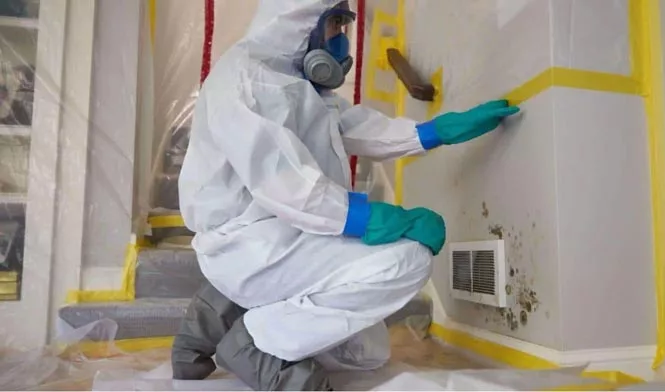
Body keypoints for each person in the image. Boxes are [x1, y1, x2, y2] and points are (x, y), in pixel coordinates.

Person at [172, 0, 521, 390]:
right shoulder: (246, 80)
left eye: (344, 24)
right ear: (300, 23)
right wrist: (374, 219)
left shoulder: (299, 84)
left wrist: (435, 131)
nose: (342, 38)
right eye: (335, 24)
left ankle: (224, 316)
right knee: (407, 260)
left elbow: (356, 126)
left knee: (368, 353)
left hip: (280, 236)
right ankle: (254, 344)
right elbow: (284, 185)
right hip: (248, 244)